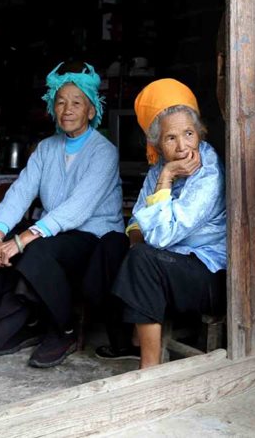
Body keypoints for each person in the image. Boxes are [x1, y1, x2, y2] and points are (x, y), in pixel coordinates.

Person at [0, 61, 124, 368]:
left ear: (91, 111)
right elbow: (20, 192)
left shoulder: (104, 151)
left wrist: (22, 240)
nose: (67, 109)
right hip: (53, 229)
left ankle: (64, 329)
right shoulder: (46, 148)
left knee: (35, 253)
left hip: (93, 235)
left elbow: (78, 208)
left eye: (77, 103)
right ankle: (11, 325)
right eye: (60, 102)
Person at [95, 78, 226, 369]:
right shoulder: (157, 168)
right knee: (110, 245)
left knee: (142, 258)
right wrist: (135, 240)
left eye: (189, 133)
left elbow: (162, 236)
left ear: (200, 133)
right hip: (168, 265)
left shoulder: (209, 172)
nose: (182, 147)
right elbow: (136, 221)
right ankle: (125, 341)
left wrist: (166, 178)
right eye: (171, 138)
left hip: (206, 275)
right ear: (157, 142)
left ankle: (149, 368)